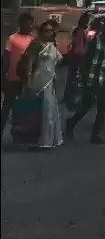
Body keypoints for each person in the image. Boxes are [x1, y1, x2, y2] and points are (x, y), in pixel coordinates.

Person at [65, 16, 105, 145]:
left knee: (102, 107)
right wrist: (82, 76)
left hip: (103, 79)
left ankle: (95, 134)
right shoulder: (94, 41)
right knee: (86, 106)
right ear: (103, 27)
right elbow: (85, 59)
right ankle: (71, 123)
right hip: (91, 78)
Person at [16, 19, 63, 149]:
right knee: (37, 110)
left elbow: (57, 61)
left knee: (49, 109)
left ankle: (49, 138)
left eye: (51, 31)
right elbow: (29, 62)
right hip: (38, 80)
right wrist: (29, 80)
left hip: (49, 81)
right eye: (46, 31)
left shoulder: (51, 45)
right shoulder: (36, 44)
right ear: (41, 32)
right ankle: (34, 138)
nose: (49, 33)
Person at [1, 10, 36, 136]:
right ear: (21, 24)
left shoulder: (33, 40)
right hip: (12, 78)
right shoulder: (12, 39)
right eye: (28, 24)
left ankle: (18, 134)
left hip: (26, 79)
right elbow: (6, 59)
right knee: (7, 106)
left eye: (32, 24)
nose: (30, 27)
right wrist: (3, 78)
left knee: (21, 108)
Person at [63, 12, 93, 112]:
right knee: (74, 77)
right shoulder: (80, 31)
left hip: (79, 56)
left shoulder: (81, 30)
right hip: (78, 56)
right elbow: (75, 43)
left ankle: (71, 97)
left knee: (74, 76)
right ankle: (71, 97)